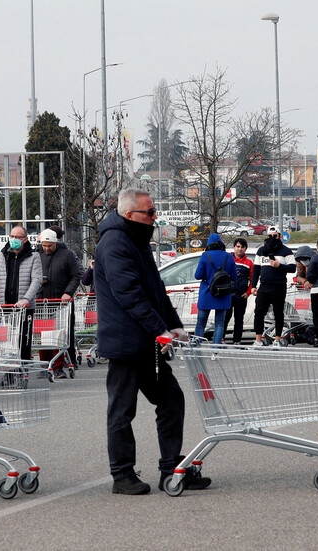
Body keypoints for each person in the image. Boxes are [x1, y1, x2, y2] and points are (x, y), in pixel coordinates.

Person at [94, 188, 208, 495]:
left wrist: (173, 325)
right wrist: (160, 329)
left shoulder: (136, 240)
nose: (155, 217)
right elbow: (129, 294)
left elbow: (155, 290)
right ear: (130, 215)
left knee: (171, 400)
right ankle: (122, 475)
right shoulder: (115, 242)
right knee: (122, 410)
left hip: (147, 342)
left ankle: (171, 468)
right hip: (125, 343)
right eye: (150, 212)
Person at [0, 225, 42, 360]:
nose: (14, 239)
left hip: (24, 308)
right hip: (6, 306)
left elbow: (36, 280)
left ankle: (22, 371)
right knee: (9, 342)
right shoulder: (3, 255)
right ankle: (9, 373)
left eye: (18, 237)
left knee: (23, 341)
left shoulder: (33, 256)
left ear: (25, 239)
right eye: (12, 236)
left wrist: (26, 299)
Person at [37, 228, 83, 376]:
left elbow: (75, 276)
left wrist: (68, 293)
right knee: (44, 335)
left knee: (60, 335)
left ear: (55, 243)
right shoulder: (37, 255)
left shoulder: (67, 255)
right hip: (42, 301)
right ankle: (45, 365)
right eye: (44, 246)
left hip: (61, 302)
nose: (46, 248)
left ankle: (58, 367)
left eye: (49, 246)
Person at [251, 226, 295, 346]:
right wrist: (253, 285)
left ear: (279, 236)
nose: (272, 238)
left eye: (274, 236)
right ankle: (258, 340)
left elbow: (292, 267)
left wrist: (279, 266)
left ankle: (277, 339)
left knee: (278, 313)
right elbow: (256, 269)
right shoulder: (261, 251)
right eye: (269, 236)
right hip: (264, 286)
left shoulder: (286, 251)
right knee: (259, 312)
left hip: (279, 287)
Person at [192, 233, 237, 344]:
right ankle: (216, 351)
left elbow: (198, 275)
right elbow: (234, 277)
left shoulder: (205, 255)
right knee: (219, 324)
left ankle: (197, 348)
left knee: (201, 324)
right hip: (223, 294)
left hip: (206, 294)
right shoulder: (229, 256)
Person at [223, 238, 254, 345]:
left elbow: (253, 280)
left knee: (239, 319)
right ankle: (221, 339)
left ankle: (237, 340)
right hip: (228, 294)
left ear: (245, 248)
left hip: (241, 296)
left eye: (242, 247)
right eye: (238, 246)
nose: (240, 249)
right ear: (234, 247)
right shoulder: (227, 259)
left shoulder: (249, 262)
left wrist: (248, 293)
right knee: (225, 318)